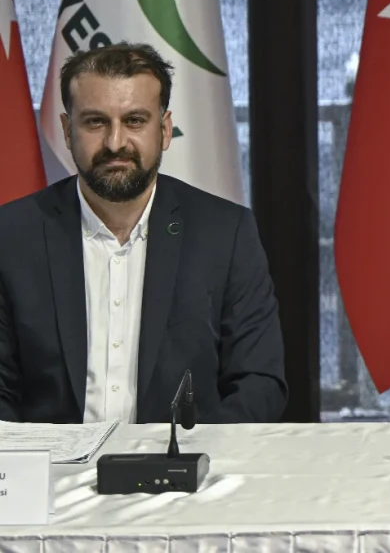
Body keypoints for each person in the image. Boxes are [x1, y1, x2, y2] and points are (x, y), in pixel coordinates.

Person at [0, 43, 287, 424]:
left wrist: (197, 452)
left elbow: (259, 383)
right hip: (50, 460)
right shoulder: (11, 236)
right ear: (68, 131)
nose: (115, 143)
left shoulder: (225, 233)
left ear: (164, 130)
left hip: (183, 458)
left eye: (134, 121)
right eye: (95, 122)